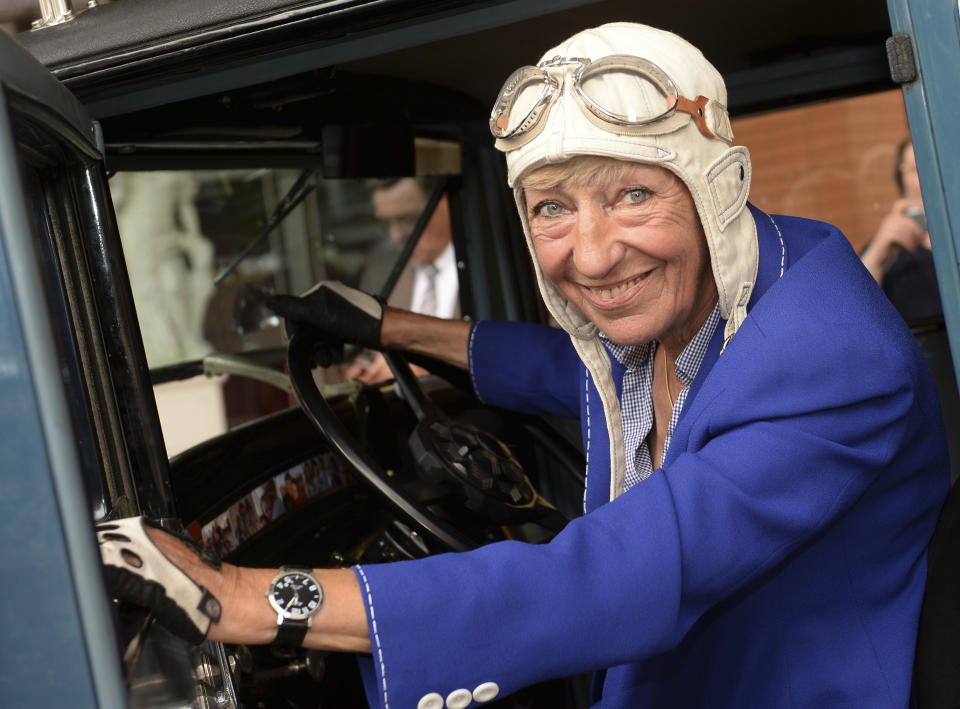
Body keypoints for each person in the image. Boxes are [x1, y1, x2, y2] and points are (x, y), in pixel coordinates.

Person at [97, 23, 949, 708]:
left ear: (715, 188)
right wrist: (395, 327)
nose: (591, 253)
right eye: (552, 208)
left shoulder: (831, 357)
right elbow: (572, 368)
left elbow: (621, 573)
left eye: (633, 194)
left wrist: (247, 597)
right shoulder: (709, 292)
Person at [346, 176, 460, 384]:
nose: (395, 236)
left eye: (408, 219)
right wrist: (362, 369)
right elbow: (365, 351)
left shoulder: (489, 268)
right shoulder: (380, 274)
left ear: (444, 203)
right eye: (386, 222)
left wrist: (428, 370)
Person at [859, 138, 942, 322]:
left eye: (932, 166)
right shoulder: (888, 247)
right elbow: (852, 307)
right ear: (901, 180)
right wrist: (879, 250)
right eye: (914, 170)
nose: (924, 178)